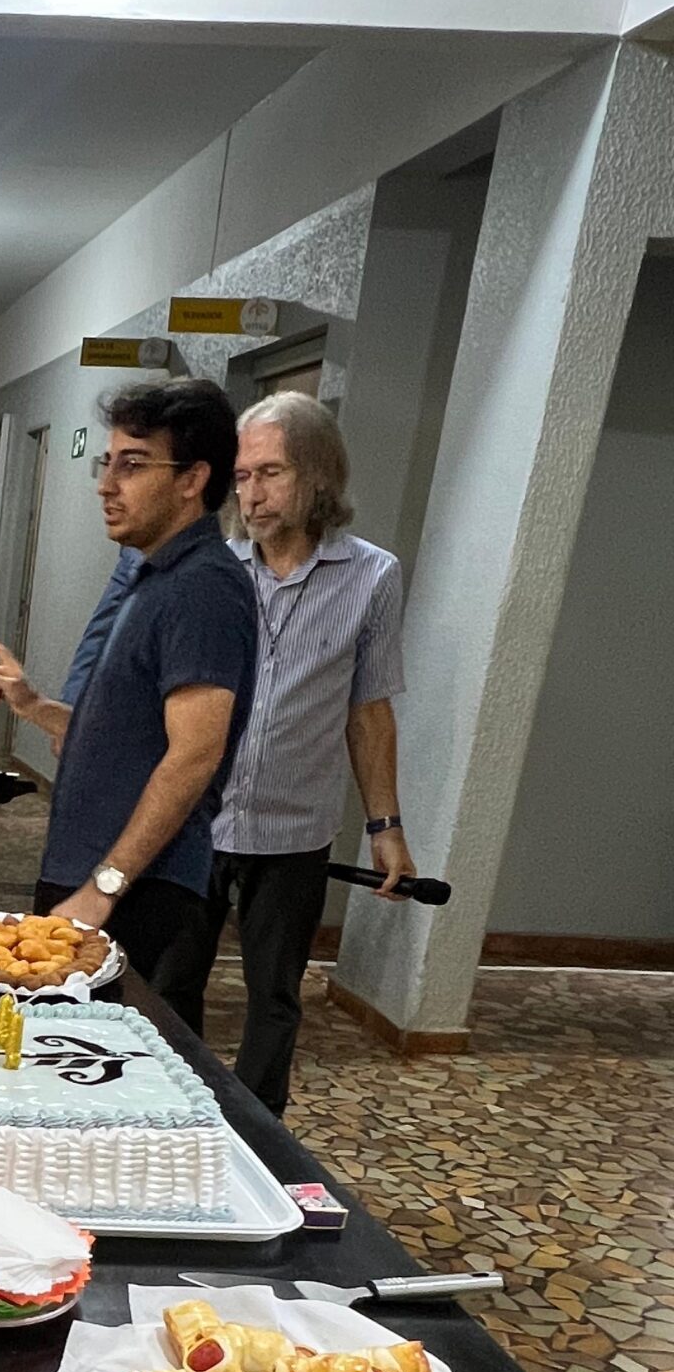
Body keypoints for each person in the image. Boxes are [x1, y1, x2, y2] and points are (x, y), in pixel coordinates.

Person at [0, 379, 256, 1026]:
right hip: (96, 875)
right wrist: (34, 704)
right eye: (107, 464)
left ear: (193, 479)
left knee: (88, 1062)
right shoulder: (152, 577)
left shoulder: (204, 588)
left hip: (135, 889)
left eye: (132, 465)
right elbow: (126, 737)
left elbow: (194, 756)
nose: (107, 485)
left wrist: (103, 888)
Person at [182, 391, 414, 1114]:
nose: (251, 495)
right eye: (242, 477)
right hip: (197, 818)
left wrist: (385, 827)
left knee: (275, 998)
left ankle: (260, 1134)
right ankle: (174, 1118)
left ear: (317, 476)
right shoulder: (213, 570)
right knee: (170, 984)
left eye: (270, 474)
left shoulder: (373, 577)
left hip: (294, 830)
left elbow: (368, 711)